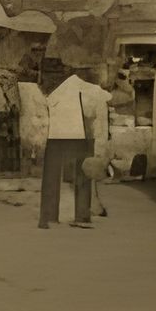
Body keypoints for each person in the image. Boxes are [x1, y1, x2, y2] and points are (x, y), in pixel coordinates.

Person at [39, 64, 110, 229]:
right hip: (81, 134)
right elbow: (97, 120)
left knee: (51, 175)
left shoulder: (60, 89)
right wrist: (100, 148)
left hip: (55, 134)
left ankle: (48, 216)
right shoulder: (93, 91)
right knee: (83, 172)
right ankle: (82, 215)